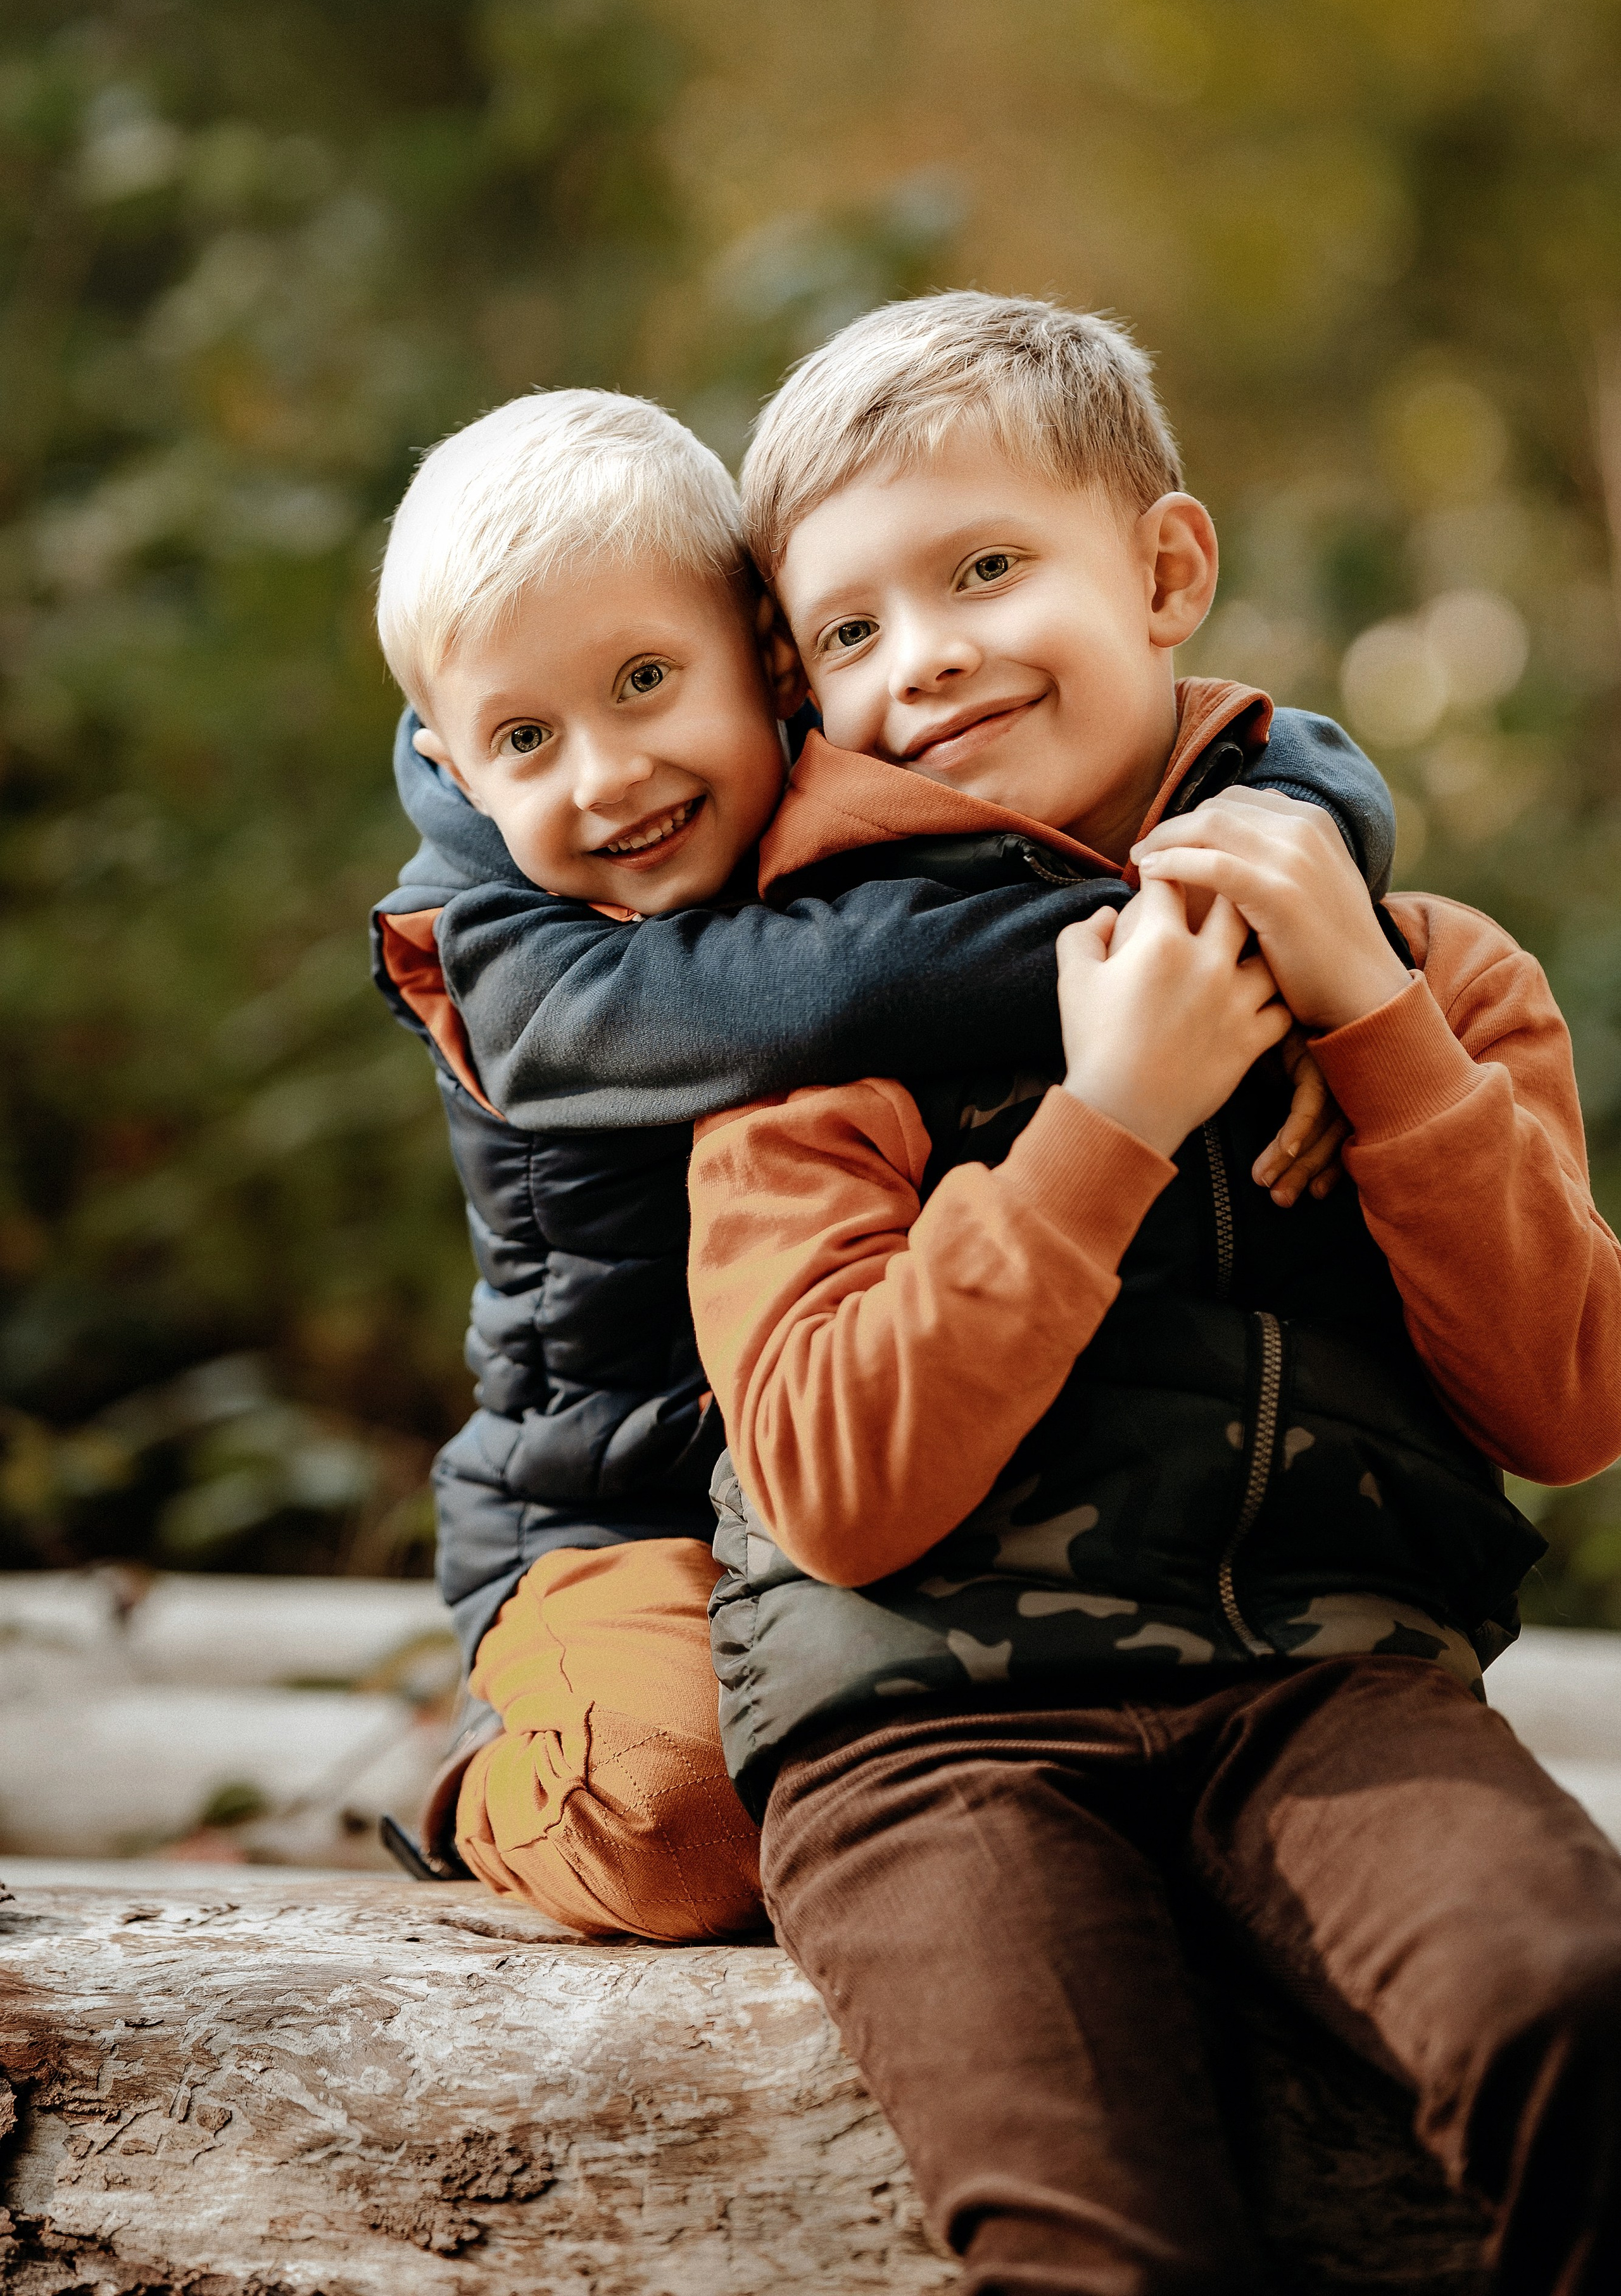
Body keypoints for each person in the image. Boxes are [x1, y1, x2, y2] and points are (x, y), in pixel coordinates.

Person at [685, 291, 1621, 2294]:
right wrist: (1110, 1119)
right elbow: (842, 1487)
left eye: (989, 568)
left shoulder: (1439, 979)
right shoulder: (800, 1030)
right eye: (847, 632)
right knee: (1106, 2242)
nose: (924, 656)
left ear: (1169, 569)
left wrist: (1369, 1022)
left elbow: (1567, 1402)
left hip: (1325, 1686)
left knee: (1574, 2005)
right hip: (929, 1734)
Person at [370, 382, 1390, 1934]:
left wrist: (1308, 873)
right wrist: (1214, 934)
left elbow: (1260, 746)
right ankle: (504, 1775)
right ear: (451, 753)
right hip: (626, 1514)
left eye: (648, 679)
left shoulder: (836, 790)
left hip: (874, 1475)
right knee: (676, 1826)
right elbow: (829, 990)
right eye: (523, 736)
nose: (606, 773)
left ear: (767, 661)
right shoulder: (509, 944)